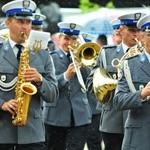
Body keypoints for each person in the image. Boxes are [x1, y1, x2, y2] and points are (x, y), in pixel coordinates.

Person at [0, 0, 59, 150]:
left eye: (28, 22)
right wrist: (2, 103)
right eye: (20, 22)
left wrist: (40, 80)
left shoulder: (43, 54)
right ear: (7, 22)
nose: (26, 27)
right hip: (2, 131)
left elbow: (53, 95)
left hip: (32, 133)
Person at [86, 12, 145, 150]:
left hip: (141, 117)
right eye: (131, 30)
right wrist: (109, 84)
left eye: (138, 30)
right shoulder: (107, 53)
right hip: (113, 120)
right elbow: (91, 83)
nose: (136, 34)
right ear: (121, 30)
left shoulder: (146, 54)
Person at [43, 22, 92, 150]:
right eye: (66, 38)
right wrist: (65, 75)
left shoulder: (84, 57)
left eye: (74, 39)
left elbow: (90, 82)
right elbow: (47, 85)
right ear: (59, 39)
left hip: (80, 115)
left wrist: (83, 62)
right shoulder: (51, 58)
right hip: (56, 115)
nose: (70, 42)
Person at [113, 14, 150, 150]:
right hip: (140, 136)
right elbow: (118, 101)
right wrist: (141, 94)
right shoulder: (129, 64)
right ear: (142, 37)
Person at [81, 32, 103, 150]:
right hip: (78, 109)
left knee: (94, 142)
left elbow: (90, 80)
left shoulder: (96, 58)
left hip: (93, 108)